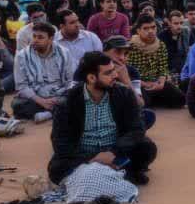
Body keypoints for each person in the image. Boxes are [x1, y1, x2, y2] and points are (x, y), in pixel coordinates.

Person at [49, 51, 157, 186]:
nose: (115, 75)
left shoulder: (124, 93)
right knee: (57, 168)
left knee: (147, 148)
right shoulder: (67, 101)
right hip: (84, 155)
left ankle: (110, 172)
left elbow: (136, 129)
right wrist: (93, 159)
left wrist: (112, 152)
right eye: (108, 73)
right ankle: (117, 173)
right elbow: (60, 142)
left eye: (113, 71)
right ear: (91, 78)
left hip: (116, 151)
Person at [12, 22, 74, 122]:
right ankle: (55, 111)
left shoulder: (64, 53)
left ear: (51, 39)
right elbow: (21, 86)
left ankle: (48, 114)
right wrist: (41, 101)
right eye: (34, 36)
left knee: (74, 99)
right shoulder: (22, 56)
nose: (35, 40)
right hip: (36, 97)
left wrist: (57, 98)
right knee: (17, 104)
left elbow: (70, 80)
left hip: (59, 95)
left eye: (40, 37)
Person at [126, 14, 184, 109]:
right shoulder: (130, 47)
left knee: (180, 99)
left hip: (156, 83)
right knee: (143, 104)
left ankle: (154, 99)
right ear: (138, 31)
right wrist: (145, 84)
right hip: (139, 84)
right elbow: (128, 73)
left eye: (153, 27)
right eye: (146, 28)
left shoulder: (160, 45)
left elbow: (163, 67)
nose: (151, 31)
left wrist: (161, 83)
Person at [54, 9, 102, 76]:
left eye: (77, 21)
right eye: (72, 23)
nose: (77, 25)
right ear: (62, 26)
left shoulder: (91, 37)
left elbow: (101, 61)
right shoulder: (53, 42)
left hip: (89, 78)